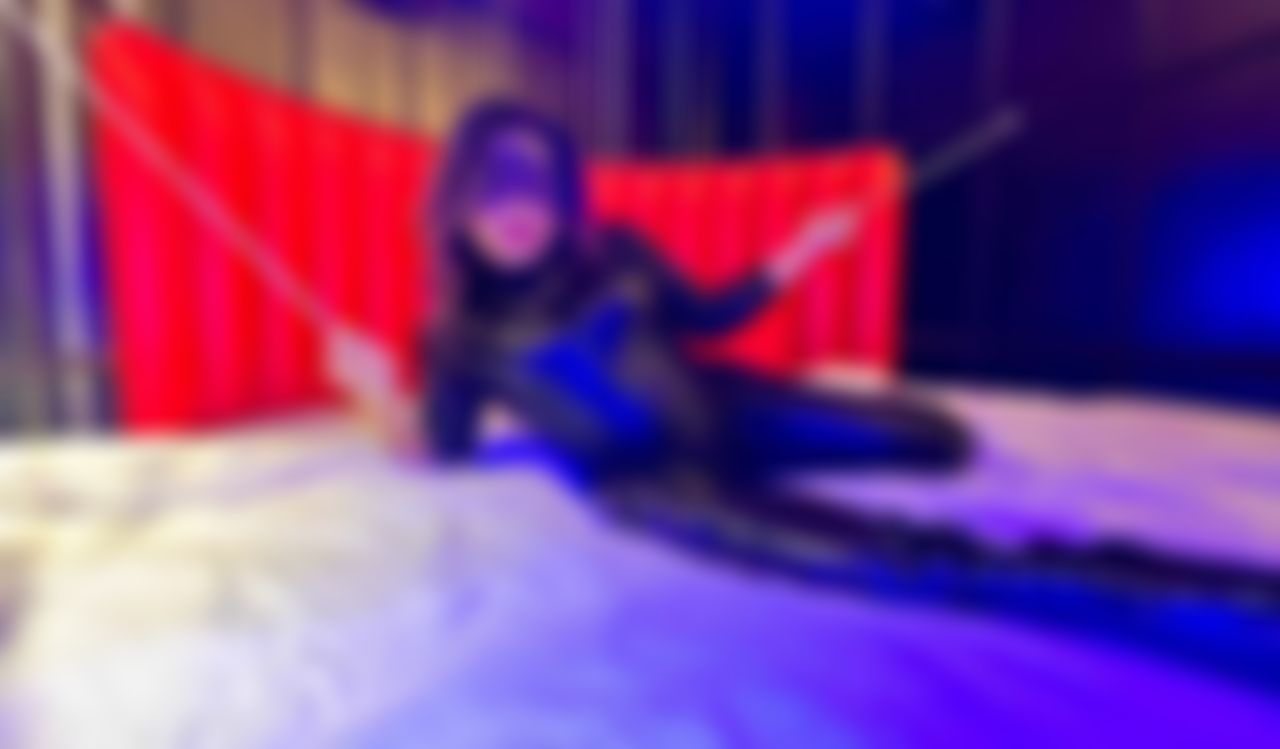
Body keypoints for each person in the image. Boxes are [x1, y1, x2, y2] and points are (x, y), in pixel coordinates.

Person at [330, 101, 970, 561]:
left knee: (938, 439)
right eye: (498, 185)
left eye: (538, 186)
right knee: (859, 554)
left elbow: (710, 315)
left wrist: (806, 246)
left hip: (728, 411)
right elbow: (448, 453)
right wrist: (376, 393)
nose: (520, 207)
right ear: (460, 201)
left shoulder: (616, 249)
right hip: (646, 476)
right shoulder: (455, 335)